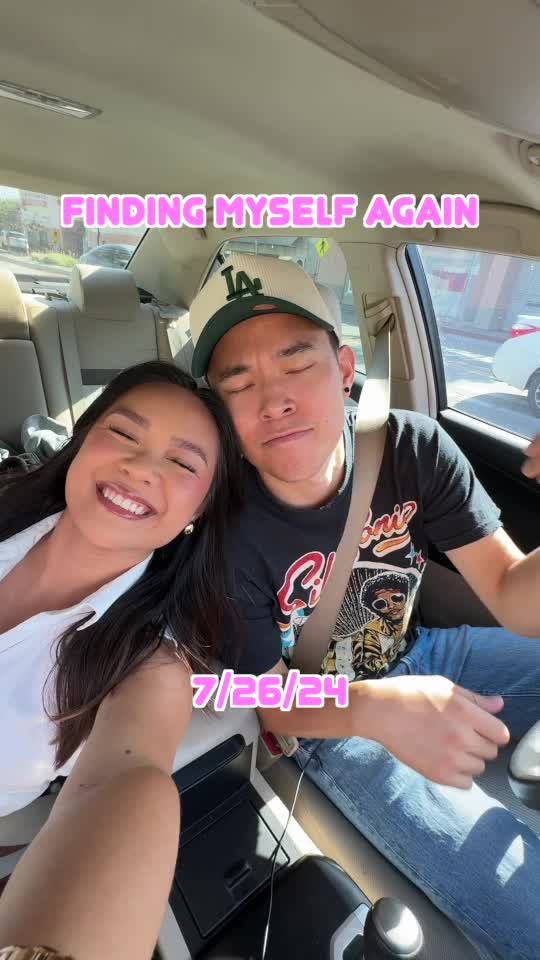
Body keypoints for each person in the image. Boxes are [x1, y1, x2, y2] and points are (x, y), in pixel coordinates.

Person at [188, 253, 540, 960]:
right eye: (240, 384)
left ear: (345, 368)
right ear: (218, 412)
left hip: (426, 652)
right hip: (331, 719)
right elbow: (270, 704)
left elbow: (513, 596)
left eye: (296, 364)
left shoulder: (412, 448)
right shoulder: (220, 533)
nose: (274, 400)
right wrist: (377, 709)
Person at [0, 360, 242, 960]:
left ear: (200, 510)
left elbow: (129, 783)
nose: (140, 468)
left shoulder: (150, 664)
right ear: (82, 442)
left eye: (183, 464)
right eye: (124, 433)